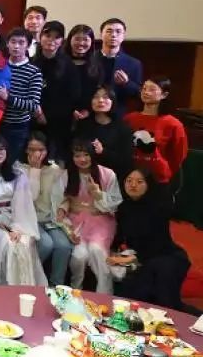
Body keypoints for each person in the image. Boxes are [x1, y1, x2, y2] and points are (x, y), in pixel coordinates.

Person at [110, 168, 195, 312]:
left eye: (139, 182)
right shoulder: (124, 207)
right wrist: (112, 251)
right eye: (129, 181)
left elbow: (157, 243)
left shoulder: (158, 208)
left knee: (163, 296)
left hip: (166, 255)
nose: (133, 185)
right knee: (130, 297)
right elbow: (120, 235)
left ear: (148, 184)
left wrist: (132, 258)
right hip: (143, 259)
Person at [53, 139, 122, 294]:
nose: (82, 159)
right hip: (76, 222)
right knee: (79, 256)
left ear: (92, 155)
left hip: (100, 221)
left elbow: (114, 204)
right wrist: (66, 226)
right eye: (77, 155)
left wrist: (98, 194)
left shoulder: (107, 174)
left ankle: (104, 293)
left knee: (97, 250)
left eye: (86, 154)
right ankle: (75, 291)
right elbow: (60, 202)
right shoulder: (67, 175)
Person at [0, 136, 46, 286]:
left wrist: (16, 228)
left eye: (1, 149)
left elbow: (23, 204)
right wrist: (5, 228)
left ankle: (25, 289)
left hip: (16, 219)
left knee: (24, 243)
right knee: (8, 245)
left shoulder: (18, 173)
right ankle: (6, 289)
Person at [20, 132, 72, 286]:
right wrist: (35, 169)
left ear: (47, 150)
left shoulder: (55, 170)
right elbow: (30, 196)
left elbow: (65, 196)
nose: (36, 154)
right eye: (32, 149)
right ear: (26, 150)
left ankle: (56, 286)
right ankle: (28, 279)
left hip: (50, 218)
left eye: (40, 150)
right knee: (46, 244)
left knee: (64, 246)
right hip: (29, 218)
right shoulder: (20, 169)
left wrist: (62, 209)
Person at [31, 21, 80, 164]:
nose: (51, 40)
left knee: (55, 163)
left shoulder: (68, 65)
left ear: (62, 41)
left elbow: (73, 95)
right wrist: (37, 112)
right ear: (40, 37)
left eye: (56, 37)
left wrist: (48, 115)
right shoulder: (31, 62)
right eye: (48, 35)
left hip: (59, 122)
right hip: (33, 119)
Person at [125, 76, 189, 183]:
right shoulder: (129, 119)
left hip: (158, 179)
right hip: (130, 177)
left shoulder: (173, 124)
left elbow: (179, 155)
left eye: (152, 89)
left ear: (164, 95)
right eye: (144, 88)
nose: (146, 92)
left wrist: (164, 171)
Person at [0, 27, 44, 160]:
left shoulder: (34, 72)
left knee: (13, 162)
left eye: (21, 42)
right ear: (7, 44)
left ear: (28, 45)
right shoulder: (0, 66)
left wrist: (8, 98)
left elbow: (33, 105)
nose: (16, 46)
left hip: (18, 126)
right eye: (13, 42)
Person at [74, 86, 134, 181]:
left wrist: (103, 152)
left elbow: (126, 161)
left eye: (105, 97)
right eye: (96, 97)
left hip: (112, 178)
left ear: (113, 101)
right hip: (84, 175)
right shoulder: (82, 125)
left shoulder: (123, 128)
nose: (100, 100)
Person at [97, 18, 142, 114]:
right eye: (109, 31)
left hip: (118, 113)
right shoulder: (90, 59)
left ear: (123, 36)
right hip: (90, 111)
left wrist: (126, 83)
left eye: (118, 32)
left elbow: (138, 93)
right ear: (101, 35)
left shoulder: (133, 63)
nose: (113, 35)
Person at [64, 24, 103, 121]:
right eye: (77, 39)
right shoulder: (61, 62)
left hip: (89, 115)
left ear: (91, 42)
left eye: (85, 39)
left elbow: (98, 91)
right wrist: (70, 110)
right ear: (70, 40)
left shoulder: (97, 65)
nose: (81, 43)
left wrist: (88, 110)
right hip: (61, 113)